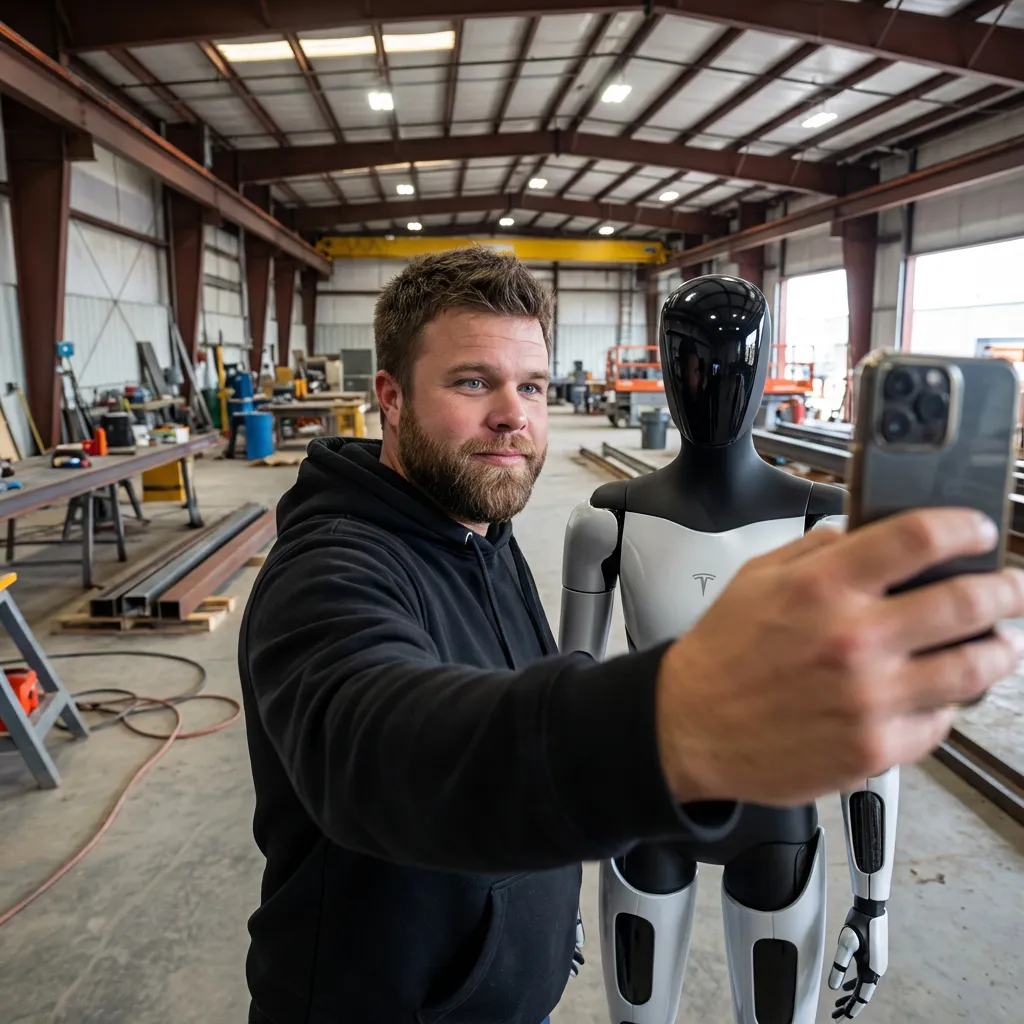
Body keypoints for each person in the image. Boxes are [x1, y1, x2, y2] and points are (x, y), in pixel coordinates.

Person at [237, 247, 1024, 1024]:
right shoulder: (326, 567)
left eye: (533, 386)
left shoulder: (481, 532)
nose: (513, 413)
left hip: (499, 991)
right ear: (393, 397)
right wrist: (685, 715)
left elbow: (542, 693)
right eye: (473, 381)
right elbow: (375, 749)